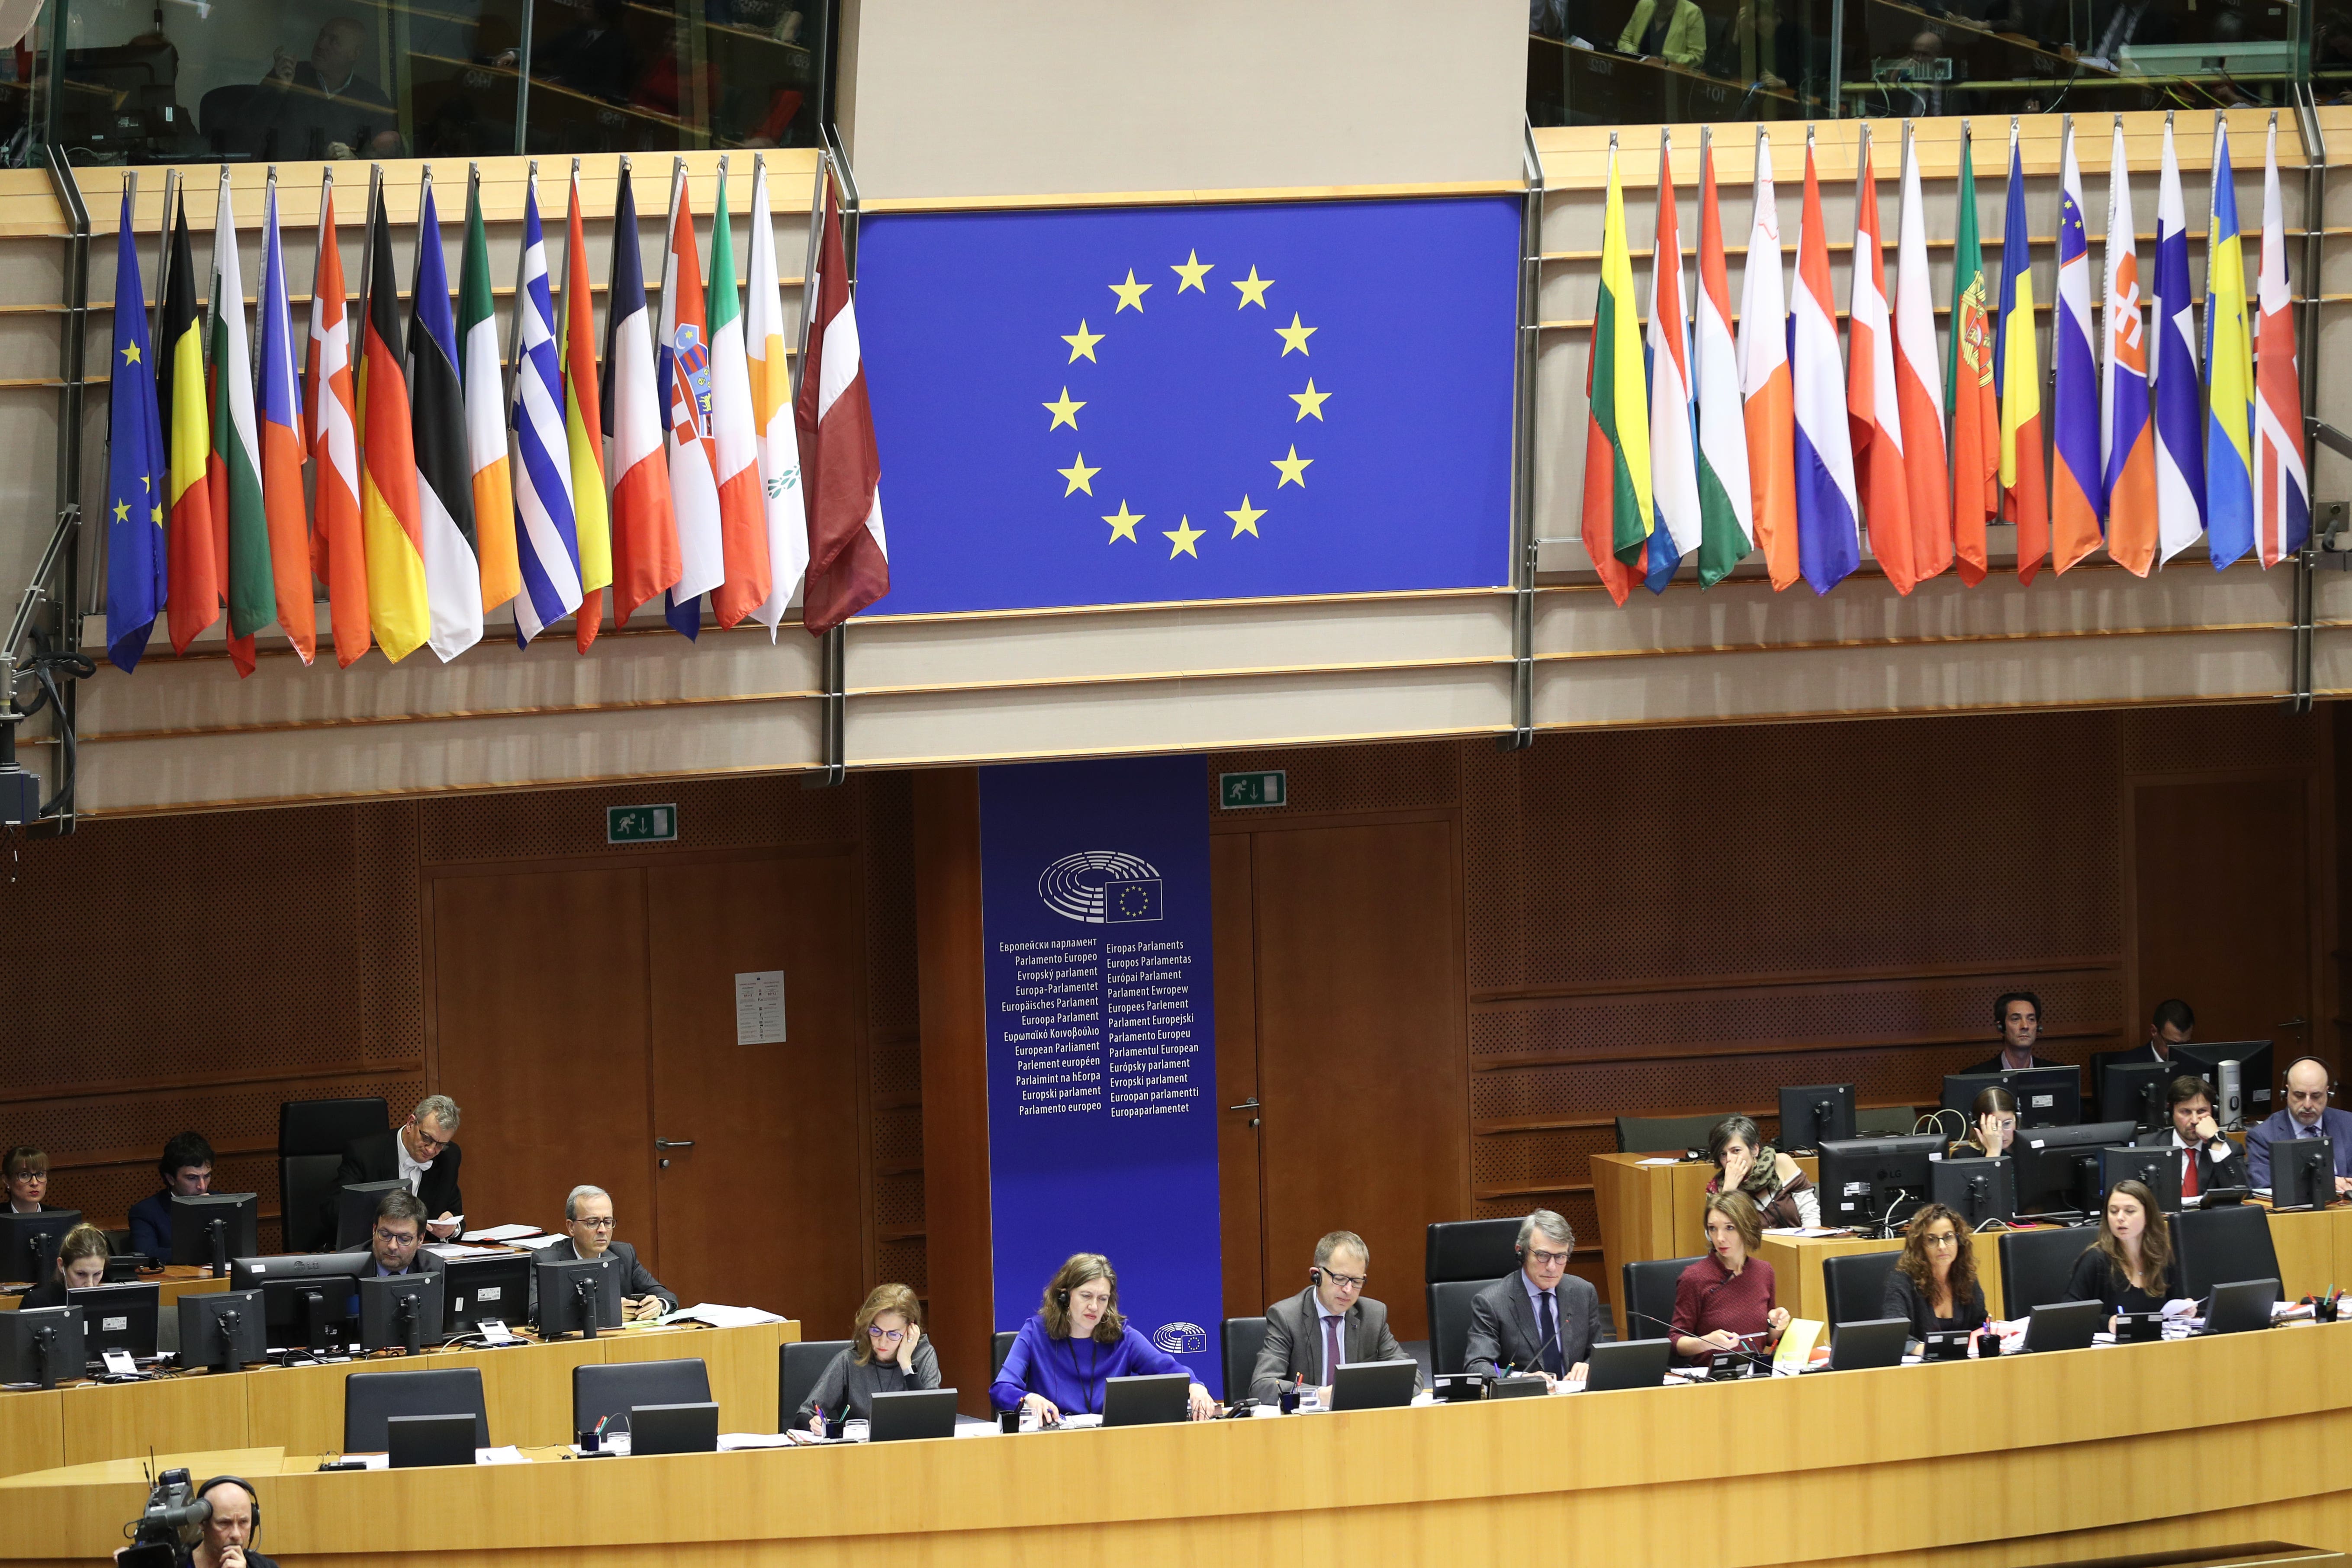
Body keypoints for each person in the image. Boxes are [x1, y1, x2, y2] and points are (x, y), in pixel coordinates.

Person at [990, 1253, 1216, 1423]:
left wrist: (1196, 1387)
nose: (1094, 1307)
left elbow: (1171, 1370)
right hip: (1053, 1445)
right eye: (1086, 1296)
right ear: (1064, 1296)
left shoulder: (1122, 1336)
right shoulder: (1035, 1332)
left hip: (1112, 1445)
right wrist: (1029, 1399)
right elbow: (1001, 1389)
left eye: (1103, 1299)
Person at [1248, 1230, 1419, 1404]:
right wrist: (1318, 1396)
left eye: (1357, 1281)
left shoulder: (1373, 1315)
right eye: (1340, 1279)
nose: (1348, 1290)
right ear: (1316, 1275)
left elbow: (1412, 1377)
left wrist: (1362, 1392)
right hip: (1305, 1425)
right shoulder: (1286, 1317)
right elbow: (1263, 1385)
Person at [1464, 1210, 1599, 1385]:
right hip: (1523, 1403)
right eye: (1543, 1256)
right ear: (1521, 1253)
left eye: (1560, 1257)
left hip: (1576, 1402)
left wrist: (1590, 1366)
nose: (1552, 1267)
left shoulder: (1584, 1293)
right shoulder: (1492, 1302)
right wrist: (1519, 1379)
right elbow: (1476, 1366)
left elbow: (1600, 1353)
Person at [793, 1282, 940, 1430]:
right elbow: (804, 1416)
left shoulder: (924, 1355)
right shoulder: (849, 1360)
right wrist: (813, 1423)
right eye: (876, 1331)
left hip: (912, 1450)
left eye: (893, 1334)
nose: (883, 1341)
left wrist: (906, 1365)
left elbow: (933, 1419)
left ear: (910, 1330)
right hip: (860, 1450)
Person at [250, 18, 401, 159]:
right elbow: (248, 129)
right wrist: (279, 90)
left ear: (354, 53)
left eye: (334, 41)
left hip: (344, 184)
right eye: (321, 36)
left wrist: (355, 160)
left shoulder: (372, 99)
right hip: (285, 182)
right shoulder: (290, 75)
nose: (321, 44)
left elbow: (389, 156)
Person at [1670, 1190, 1789, 1367]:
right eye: (1713, 1229)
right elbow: (1675, 1342)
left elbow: (1766, 1341)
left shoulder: (1765, 1272)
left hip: (1754, 1375)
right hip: (1712, 1380)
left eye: (1730, 1228)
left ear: (1747, 1227)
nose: (1720, 1238)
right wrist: (1706, 1342)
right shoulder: (1694, 1277)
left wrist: (1776, 1326)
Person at [334, 1096, 465, 1241]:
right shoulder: (365, 1154)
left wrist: (452, 1230)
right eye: (427, 1138)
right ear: (411, 1124)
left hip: (422, 1255)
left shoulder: (449, 1157)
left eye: (440, 1145)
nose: (431, 1150)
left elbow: (455, 1215)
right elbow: (335, 1211)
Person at [537, 1185, 676, 1321]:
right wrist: (606, 1312)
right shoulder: (547, 1261)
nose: (603, 1230)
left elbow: (666, 1295)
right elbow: (536, 1312)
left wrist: (660, 1305)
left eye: (608, 1222)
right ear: (571, 1227)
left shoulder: (624, 1254)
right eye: (592, 1222)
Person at [2064, 1179, 2181, 1326]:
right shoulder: (2096, 1259)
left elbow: (2174, 1303)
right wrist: (2107, 1323)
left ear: (2148, 1216)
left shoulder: (2161, 1257)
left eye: (2130, 1211)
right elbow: (2068, 1314)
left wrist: (2184, 1310)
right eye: (2113, 1211)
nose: (2120, 1218)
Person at [1878, 1203, 1989, 1340]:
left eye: (1948, 1237)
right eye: (1932, 1240)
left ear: (1959, 1240)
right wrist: (1924, 1350)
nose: (1942, 1247)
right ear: (1920, 1246)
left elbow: (1981, 1327)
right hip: (1920, 1360)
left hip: (1963, 1360)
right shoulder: (1902, 1281)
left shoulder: (1967, 1278)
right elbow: (1893, 1333)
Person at [2133, 1076, 2249, 1201]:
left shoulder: (2229, 1149)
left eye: (2202, 1111)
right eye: (2186, 1112)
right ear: (2170, 1113)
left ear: (2213, 1112)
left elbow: (2242, 1194)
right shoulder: (2144, 1147)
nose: (2194, 1120)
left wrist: (2216, 1143)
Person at [2247, 1057, 2352, 1193]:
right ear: (2287, 1092)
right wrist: (2325, 1184)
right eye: (2299, 1095)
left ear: (2328, 1093)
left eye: (2316, 1096)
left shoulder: (2349, 1124)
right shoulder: (2263, 1136)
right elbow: (2262, 1188)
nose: (2308, 1105)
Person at [1704, 1115, 1819, 1228]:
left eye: (1736, 1151)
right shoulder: (1718, 1188)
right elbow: (1713, 1235)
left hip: (1796, 1243)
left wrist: (1809, 1244)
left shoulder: (1781, 1164)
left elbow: (1810, 1214)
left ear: (1755, 1150)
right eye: (1723, 1154)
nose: (1729, 1159)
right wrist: (1729, 1191)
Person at [127, 1132, 215, 1259]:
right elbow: (145, 1254)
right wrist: (201, 1252)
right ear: (171, 1178)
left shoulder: (221, 1202)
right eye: (192, 1178)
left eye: (207, 1176)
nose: (202, 1186)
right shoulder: (146, 1212)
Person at [176, 1476, 277, 1568]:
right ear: (202, 1522)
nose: (236, 1535)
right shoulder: (175, 1564)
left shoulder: (266, 1566)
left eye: (243, 1522)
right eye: (224, 1523)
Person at [1964, 992, 2063, 1074]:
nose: (2025, 1026)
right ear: (2001, 1028)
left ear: (2038, 1028)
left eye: (2031, 1019)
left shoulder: (2058, 1074)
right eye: (2016, 1019)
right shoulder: (1974, 1076)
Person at [18, 1223, 109, 1310]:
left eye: (97, 1274)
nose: (90, 1285)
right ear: (61, 1265)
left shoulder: (108, 1302)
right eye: (81, 1274)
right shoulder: (36, 1303)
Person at [364, 1189, 447, 1282]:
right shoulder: (347, 1268)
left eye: (404, 1239)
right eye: (385, 1235)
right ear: (374, 1230)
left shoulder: (437, 1272)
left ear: (420, 1240)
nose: (392, 1246)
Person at [1616, 0, 1708, 63]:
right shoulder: (1644, 5)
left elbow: (1697, 56)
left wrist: (1665, 60)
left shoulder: (1692, 13)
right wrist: (1634, 55)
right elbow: (1625, 40)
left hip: (1670, 78)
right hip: (1636, 69)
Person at [1948, 1086, 2022, 1160]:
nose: (2001, 1134)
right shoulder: (1963, 1157)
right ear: (1978, 1127)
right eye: (1992, 1126)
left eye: (2007, 1124)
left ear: (2017, 1120)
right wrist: (1993, 1152)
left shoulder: (2030, 1150)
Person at [2119, 999, 2196, 1063]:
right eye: (2171, 1044)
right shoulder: (2129, 1063)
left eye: (2185, 1044)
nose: (2179, 1053)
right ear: (2154, 1032)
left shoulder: (2196, 1063)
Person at [4, 1147, 52, 1214]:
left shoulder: (64, 1220)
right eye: (24, 1175)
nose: (35, 1183)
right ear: (7, 1181)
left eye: (40, 1174)